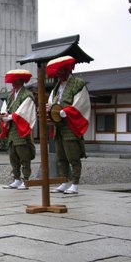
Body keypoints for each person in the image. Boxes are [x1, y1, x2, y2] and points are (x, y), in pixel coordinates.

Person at [46, 55, 91, 194]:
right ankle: (64, 181)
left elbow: (81, 104)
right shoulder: (57, 86)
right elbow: (51, 103)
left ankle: (75, 183)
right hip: (59, 126)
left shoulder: (78, 84)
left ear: (67, 70)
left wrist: (63, 112)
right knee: (61, 157)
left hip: (70, 125)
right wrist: (51, 110)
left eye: (61, 71)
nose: (59, 74)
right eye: (57, 72)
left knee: (73, 156)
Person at [0, 69, 37, 190]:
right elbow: (5, 108)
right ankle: (16, 178)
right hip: (12, 130)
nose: (13, 84)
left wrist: (9, 117)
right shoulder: (11, 95)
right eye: (12, 81)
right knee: (13, 156)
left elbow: (24, 112)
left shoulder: (27, 95)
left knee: (24, 156)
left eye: (14, 81)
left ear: (21, 80)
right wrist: (3, 115)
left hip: (21, 130)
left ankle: (26, 180)